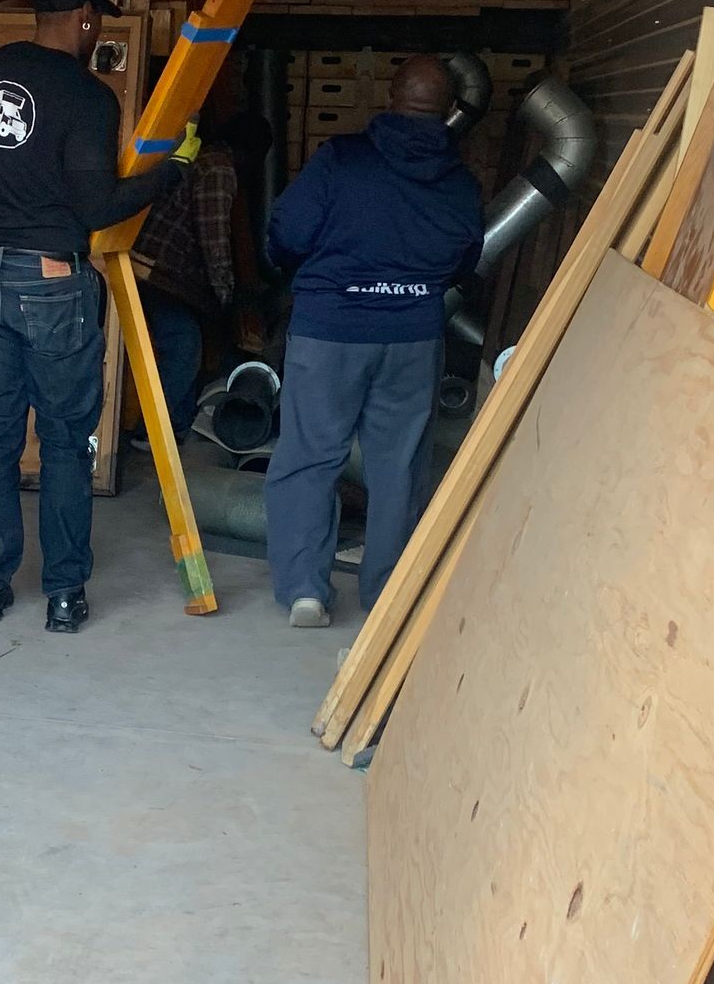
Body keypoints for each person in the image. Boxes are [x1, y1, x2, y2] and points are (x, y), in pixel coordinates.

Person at [0, 0, 190, 633]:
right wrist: (166, 176)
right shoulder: (87, 98)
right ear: (86, 18)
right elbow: (94, 207)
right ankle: (63, 594)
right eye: (99, 23)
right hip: (52, 282)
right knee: (63, 439)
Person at [263, 53, 483, 626]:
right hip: (412, 333)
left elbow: (287, 231)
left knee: (310, 458)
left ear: (389, 98)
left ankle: (306, 591)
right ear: (450, 111)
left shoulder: (342, 160)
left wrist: (293, 271)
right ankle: (388, 595)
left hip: (329, 329)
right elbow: (466, 259)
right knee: (399, 466)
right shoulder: (459, 181)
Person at [132, 111, 274, 438]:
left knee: (187, 347)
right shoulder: (219, 170)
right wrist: (226, 296)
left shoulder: (205, 159)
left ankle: (176, 428)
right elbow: (214, 238)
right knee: (184, 346)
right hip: (158, 273)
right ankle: (151, 433)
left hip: (154, 268)